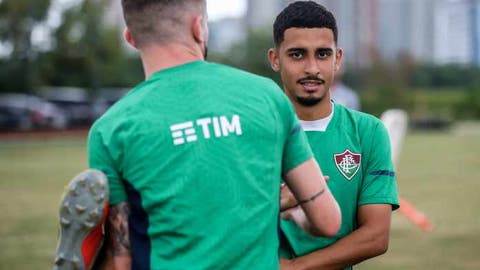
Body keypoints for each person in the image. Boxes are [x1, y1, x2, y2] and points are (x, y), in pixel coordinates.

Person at [54, 0, 341, 269]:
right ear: (199, 27)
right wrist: (293, 212)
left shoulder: (112, 128)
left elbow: (122, 261)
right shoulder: (268, 96)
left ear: (131, 38)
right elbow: (328, 221)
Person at [267, 1, 400, 269]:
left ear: (337, 59)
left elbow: (376, 235)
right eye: (297, 54)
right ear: (275, 59)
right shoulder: (252, 132)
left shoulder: (368, 132)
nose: (312, 68)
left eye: (323, 54)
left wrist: (295, 268)